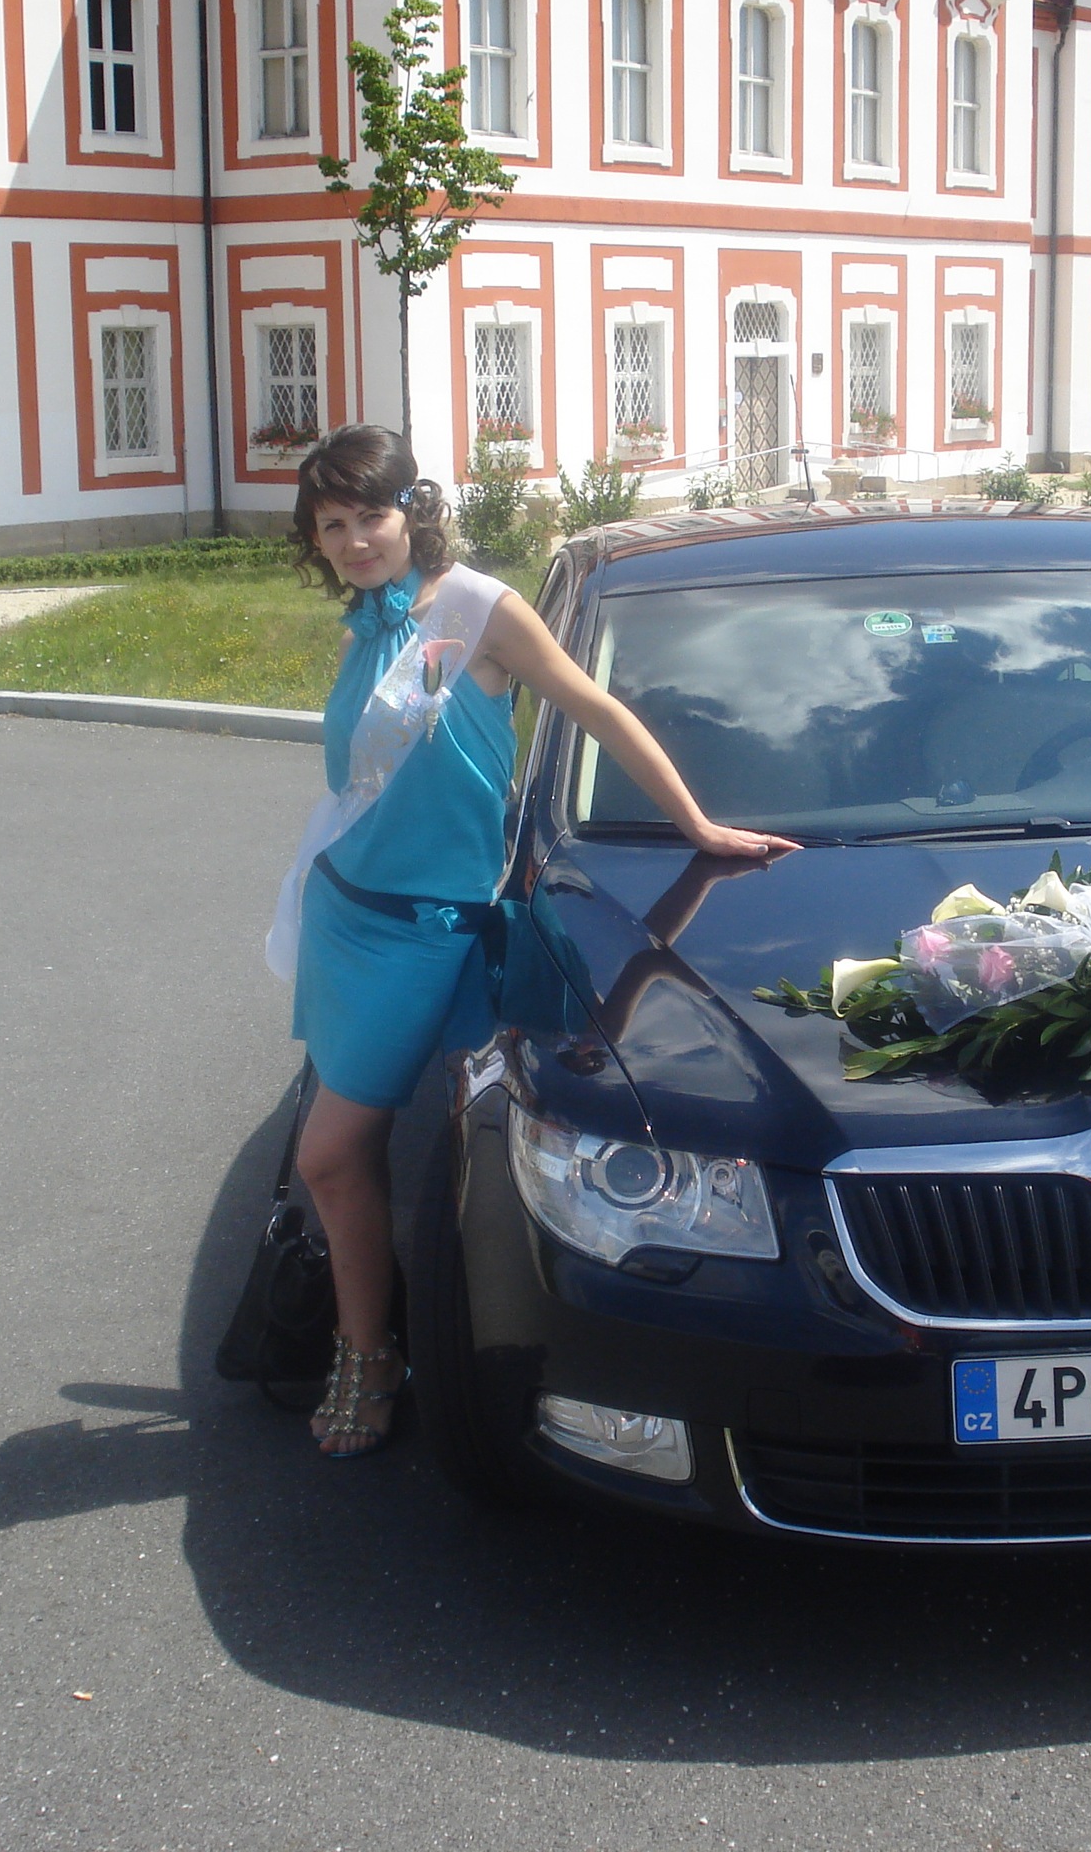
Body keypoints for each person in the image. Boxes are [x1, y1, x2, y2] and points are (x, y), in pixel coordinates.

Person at [264, 426, 797, 1458]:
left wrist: (697, 826)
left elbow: (598, 710)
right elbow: (361, 786)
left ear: (412, 510)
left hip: (422, 931)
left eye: (370, 516)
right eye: (331, 526)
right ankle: (373, 1335)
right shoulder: (366, 625)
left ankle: (370, 1357)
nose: (354, 541)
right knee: (347, 1153)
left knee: (327, 1155)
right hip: (346, 913)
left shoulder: (480, 613)